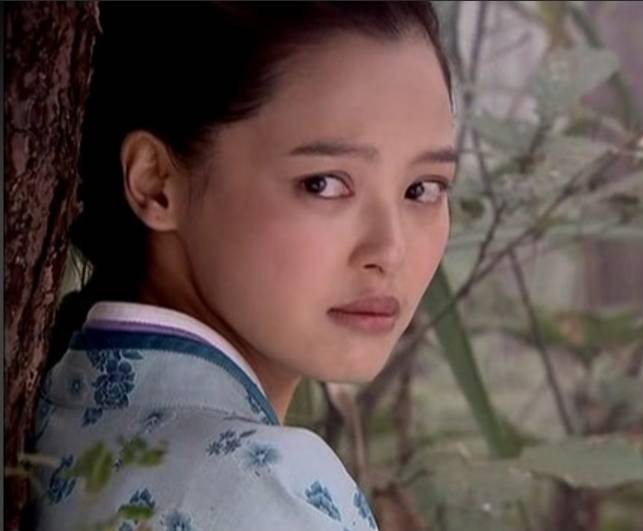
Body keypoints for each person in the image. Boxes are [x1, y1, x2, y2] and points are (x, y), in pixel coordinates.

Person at [28, 2, 456, 529]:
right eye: (322, 184)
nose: (391, 250)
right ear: (156, 183)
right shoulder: (268, 490)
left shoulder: (55, 417)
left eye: (424, 188)